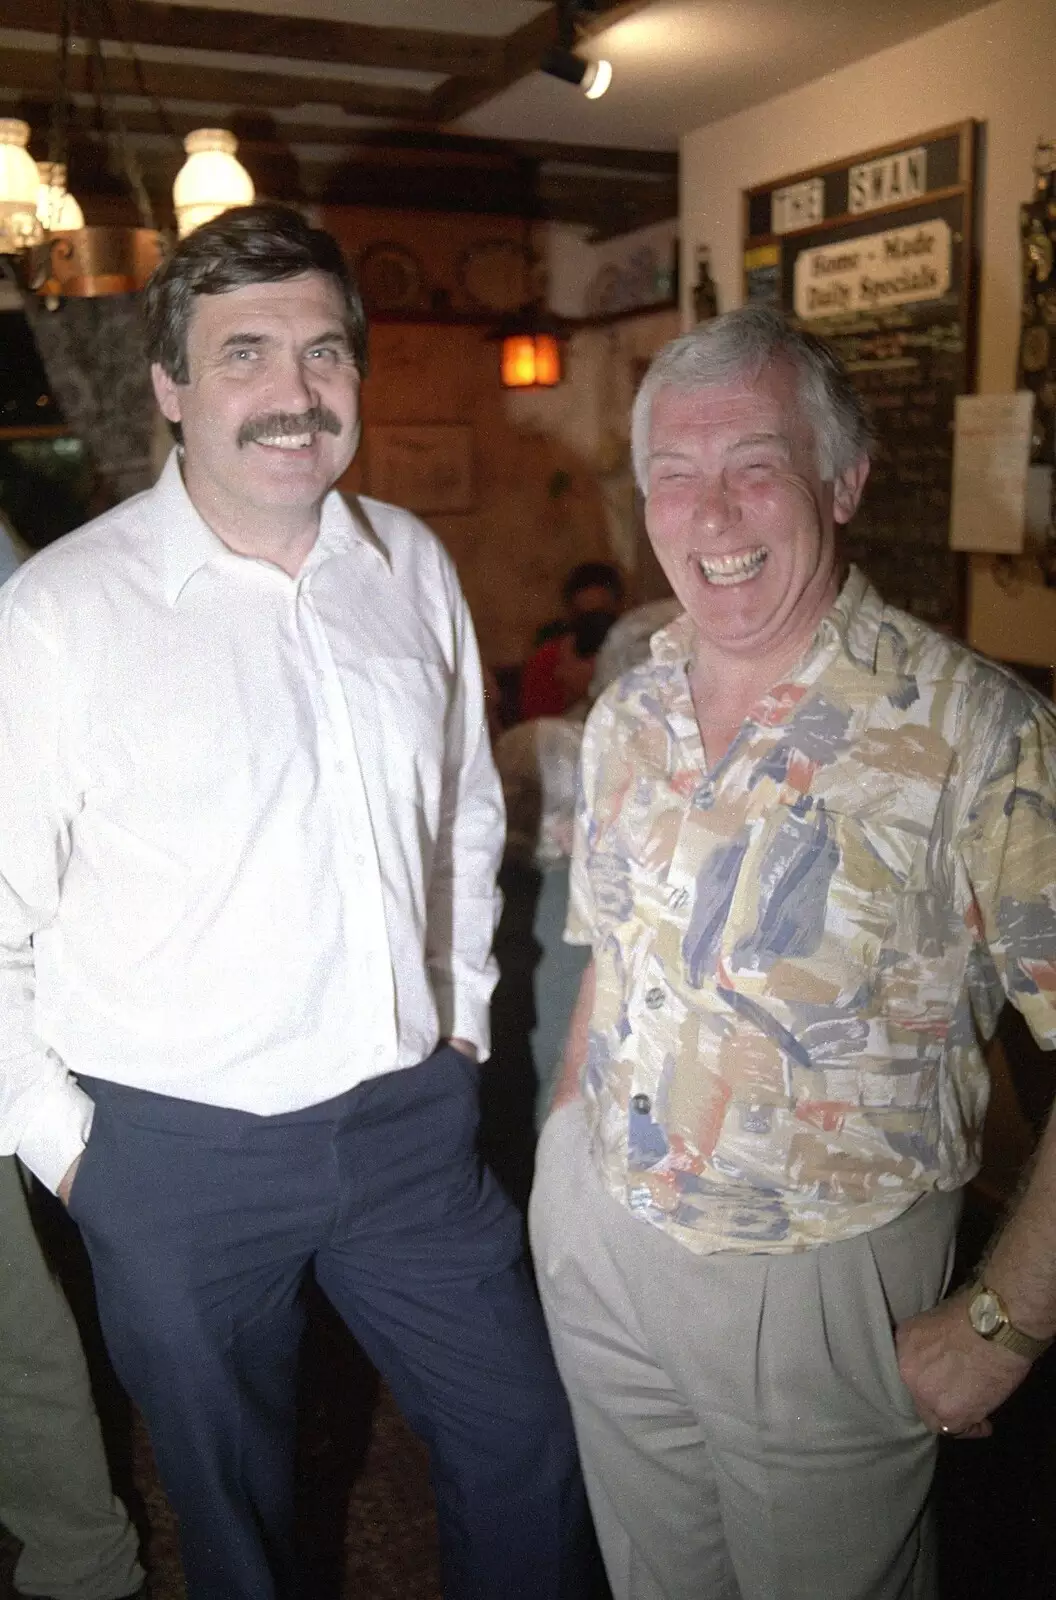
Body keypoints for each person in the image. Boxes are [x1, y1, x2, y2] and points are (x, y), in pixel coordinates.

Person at [0, 203, 589, 1600]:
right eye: (245, 354)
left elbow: (462, 818)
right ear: (169, 392)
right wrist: (75, 1152)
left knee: (529, 1451)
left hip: (407, 1128)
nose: (293, 392)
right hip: (175, 1155)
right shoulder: (61, 614)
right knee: (237, 1515)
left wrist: (462, 1031)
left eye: (324, 354)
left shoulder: (412, 568)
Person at [529, 306, 1056, 1600]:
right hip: (602, 1234)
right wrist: (560, 1164)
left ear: (842, 479)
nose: (711, 515)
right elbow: (609, 955)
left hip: (817, 1287)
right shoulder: (629, 703)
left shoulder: (981, 735)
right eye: (674, 477)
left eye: (754, 468)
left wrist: (1006, 1322)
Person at [520, 561, 625, 719]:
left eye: (601, 615)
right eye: (585, 618)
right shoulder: (548, 660)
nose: (594, 627)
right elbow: (536, 727)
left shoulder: (631, 652)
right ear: (570, 614)